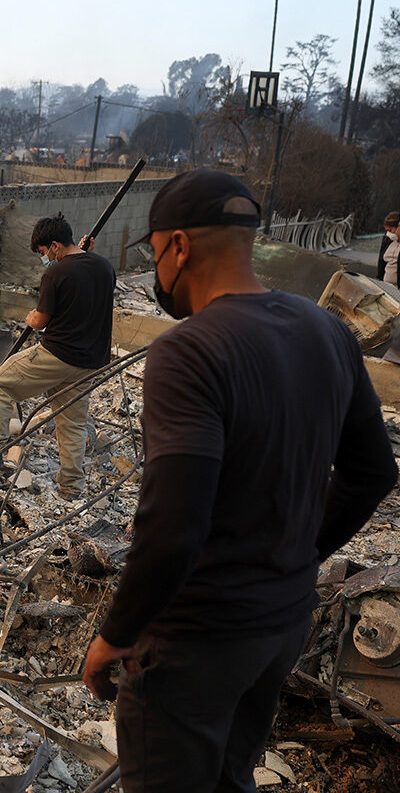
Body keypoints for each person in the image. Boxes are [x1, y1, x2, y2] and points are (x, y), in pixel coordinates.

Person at [82, 169, 397, 792]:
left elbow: (173, 527)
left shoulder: (188, 351)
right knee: (230, 779)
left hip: (200, 640)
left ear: (177, 246)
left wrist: (114, 634)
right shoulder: (327, 330)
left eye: (155, 254)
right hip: (282, 626)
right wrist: (297, 556)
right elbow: (373, 473)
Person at [0, 213, 115, 497]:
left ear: (54, 245)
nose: (44, 258)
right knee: (72, 424)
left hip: (57, 356)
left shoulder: (55, 273)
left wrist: (30, 317)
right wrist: (84, 256)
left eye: (42, 252)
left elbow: (41, 320)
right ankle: (71, 488)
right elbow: (85, 285)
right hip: (90, 362)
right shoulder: (104, 266)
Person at [377, 211, 399, 286]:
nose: (388, 233)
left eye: (390, 230)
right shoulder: (387, 241)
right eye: (386, 230)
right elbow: (381, 262)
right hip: (386, 285)